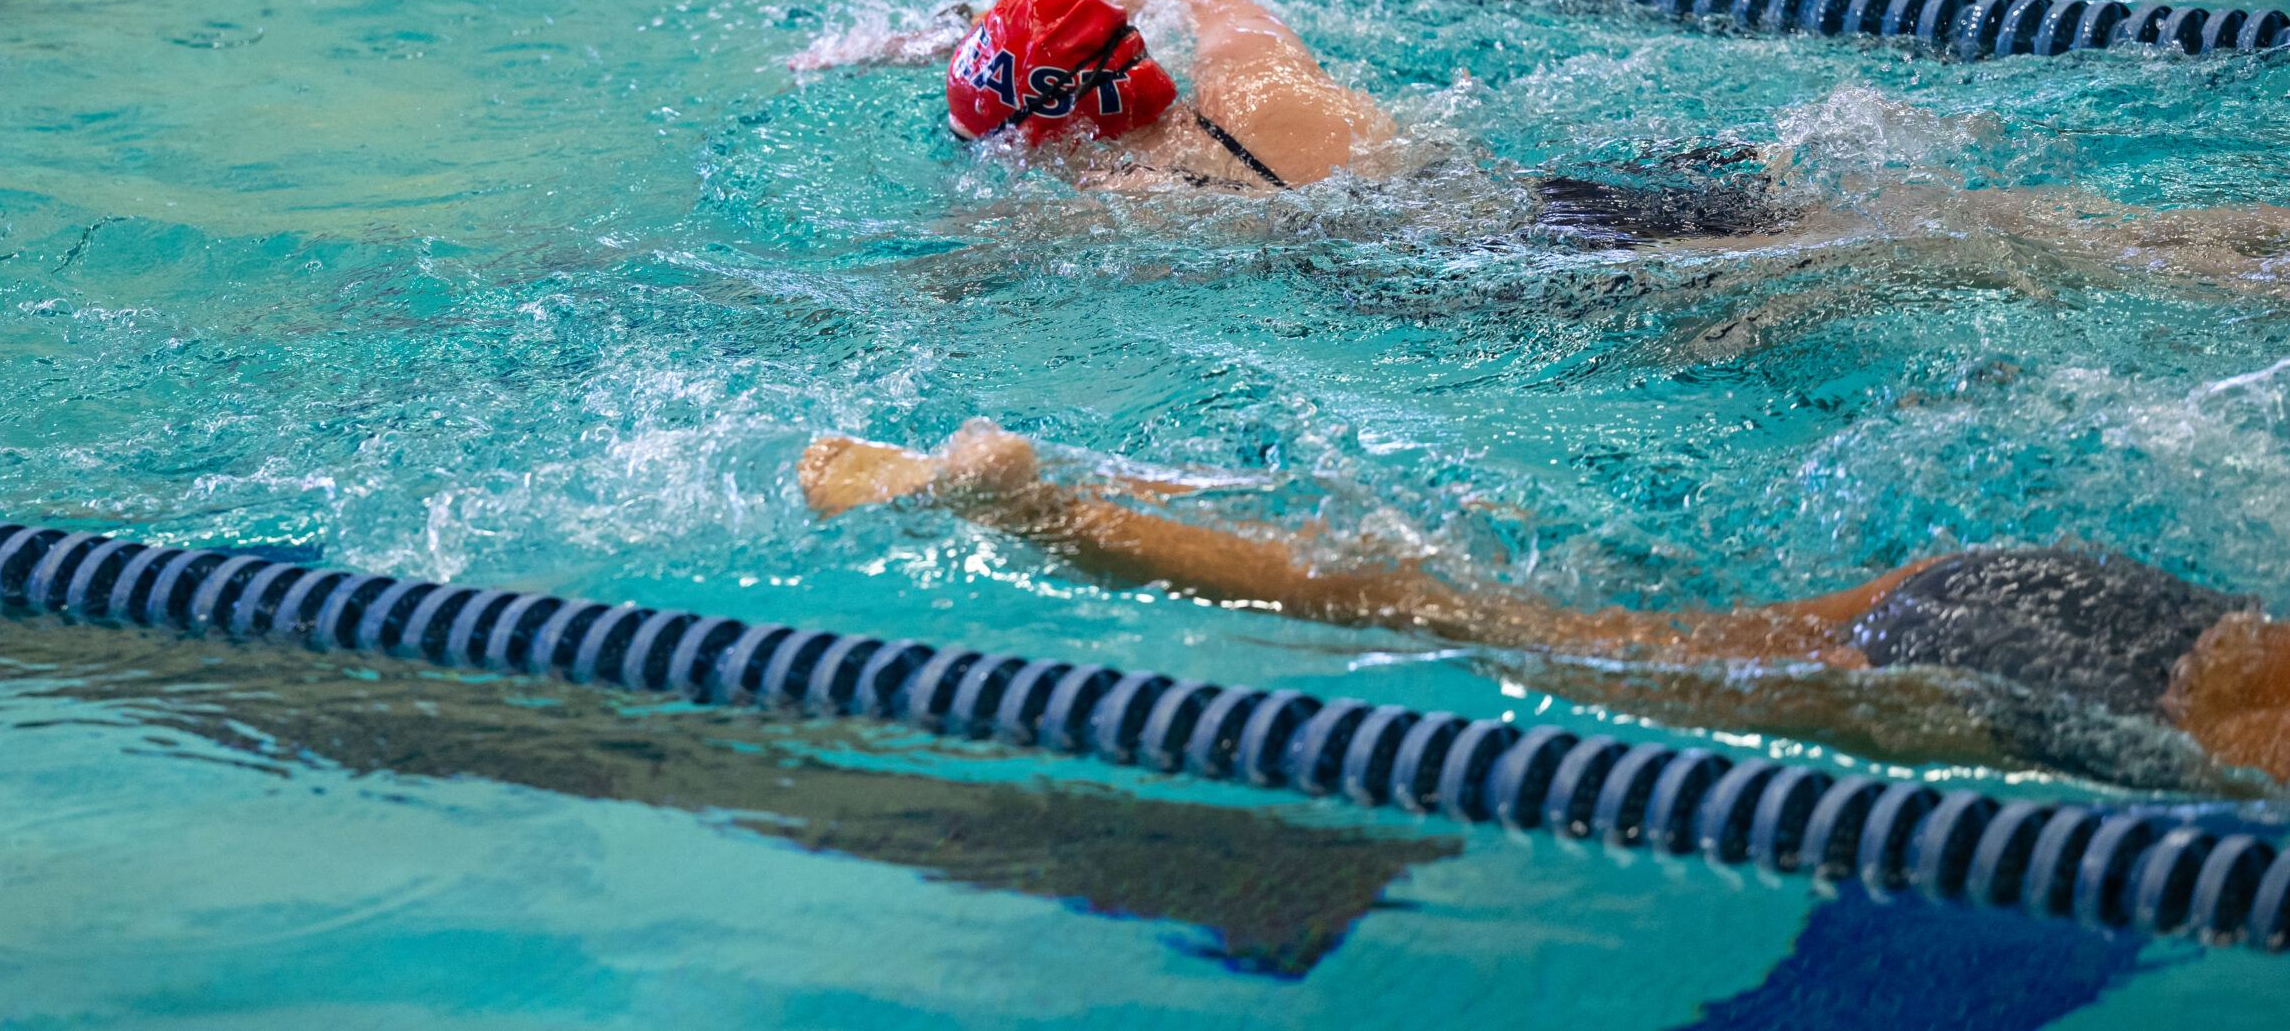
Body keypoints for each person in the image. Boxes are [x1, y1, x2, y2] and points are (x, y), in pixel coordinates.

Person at [797, 420, 2290, 786]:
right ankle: (1039, 505)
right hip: (2053, 671)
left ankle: (1082, 491)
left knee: (1496, 594)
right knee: (1485, 624)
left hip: (2111, 607)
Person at [853, 0, 2290, 277]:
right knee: (1933, 224)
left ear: (1047, 130)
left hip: (1532, 265)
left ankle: (2209, 261)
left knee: (1925, 254)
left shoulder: (1123, 196)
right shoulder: (1253, 73)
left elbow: (955, 272)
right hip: (1560, 176)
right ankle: (2240, 235)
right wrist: (967, 22)